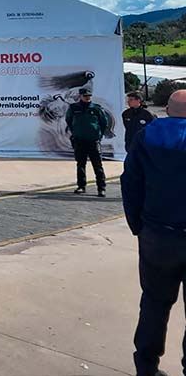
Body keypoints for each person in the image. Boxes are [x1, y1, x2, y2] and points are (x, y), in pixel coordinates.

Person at [121, 89, 186, 376]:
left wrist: (138, 225)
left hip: (157, 234)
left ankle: (146, 367)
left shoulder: (147, 136)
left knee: (154, 303)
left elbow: (130, 182)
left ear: (168, 109)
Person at [65, 87, 109, 197]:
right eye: (85, 96)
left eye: (89, 96)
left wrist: (98, 135)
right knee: (80, 164)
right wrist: (75, 132)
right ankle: (81, 186)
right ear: (80, 96)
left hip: (93, 140)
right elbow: (69, 121)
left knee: (97, 165)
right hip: (79, 140)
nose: (87, 98)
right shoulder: (74, 108)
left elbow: (104, 123)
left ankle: (101, 188)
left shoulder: (96, 108)